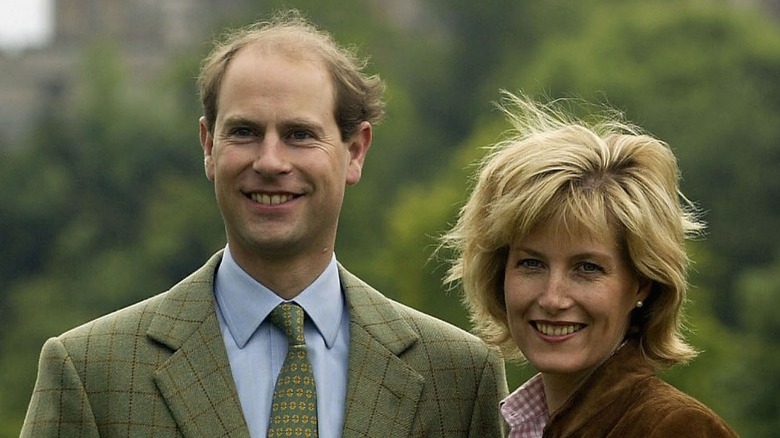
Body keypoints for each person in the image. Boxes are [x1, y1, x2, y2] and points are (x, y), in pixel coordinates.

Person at [21, 11, 507, 438]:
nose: (270, 161)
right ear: (208, 146)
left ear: (355, 151)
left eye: (299, 134)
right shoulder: (91, 373)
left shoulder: (459, 379)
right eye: (246, 132)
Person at [439, 91, 738, 437]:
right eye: (532, 264)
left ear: (642, 282)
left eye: (587, 269)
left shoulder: (677, 428)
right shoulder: (524, 426)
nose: (553, 299)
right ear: (499, 272)